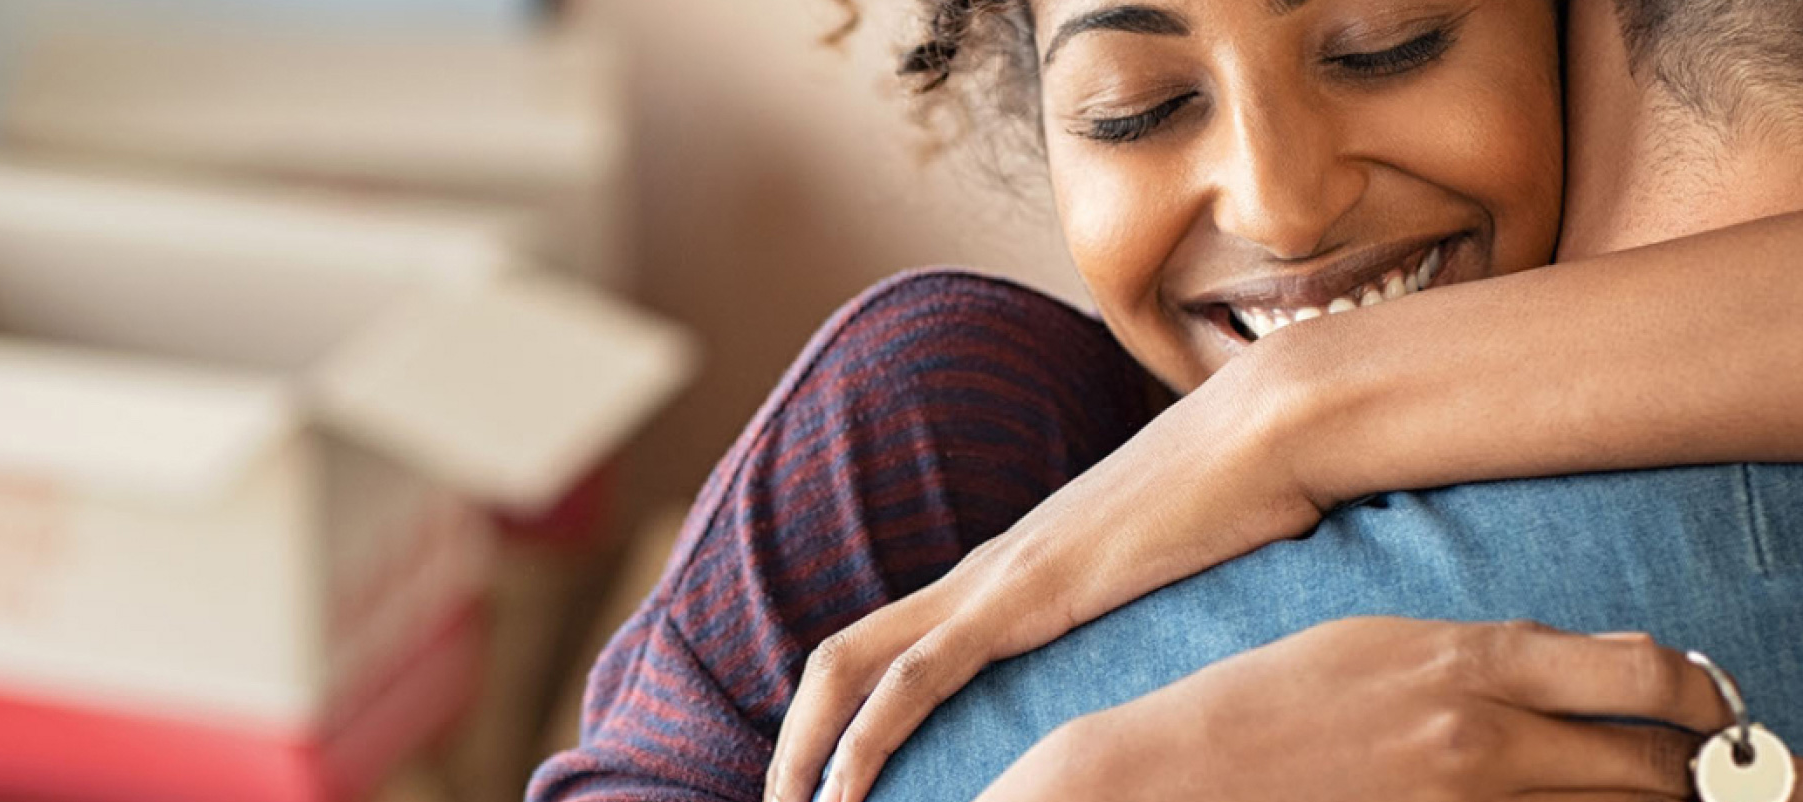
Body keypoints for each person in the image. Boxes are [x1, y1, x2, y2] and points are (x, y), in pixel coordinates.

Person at [529, 0, 1803, 800]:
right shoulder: (937, 417)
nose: (1281, 202)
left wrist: (1294, 411)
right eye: (1138, 111)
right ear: (1046, 129)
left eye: (1386, 45)